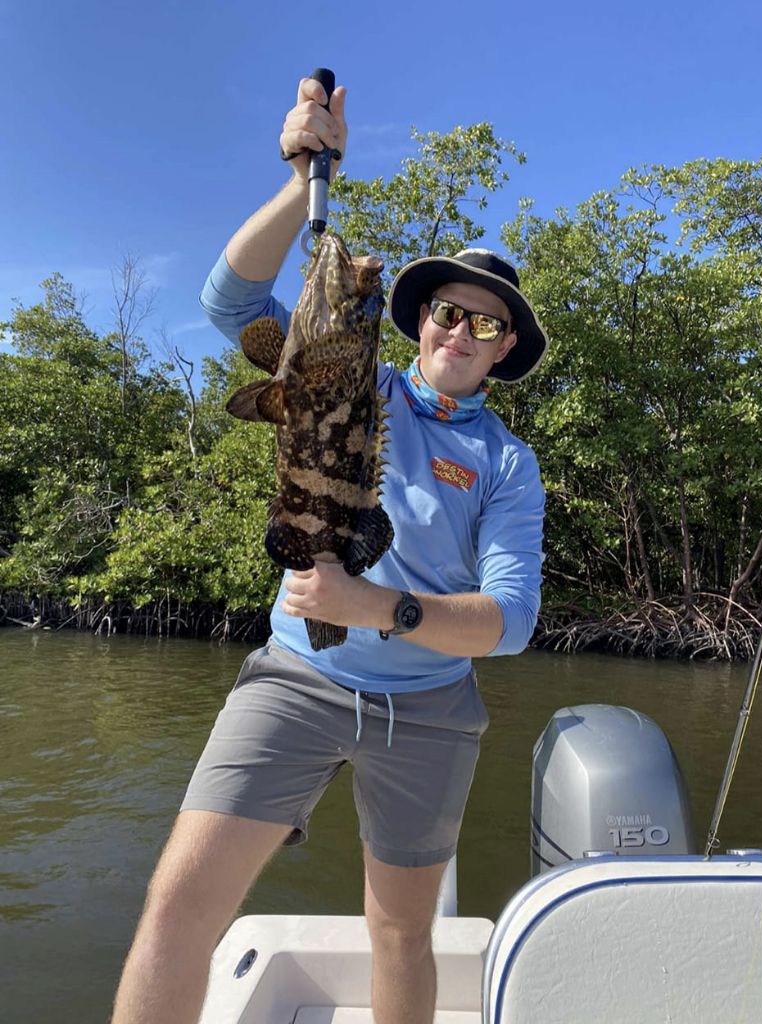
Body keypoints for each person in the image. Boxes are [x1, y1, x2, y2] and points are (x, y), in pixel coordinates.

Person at [111, 76, 548, 1024]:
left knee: (400, 932)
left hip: (430, 712)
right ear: (418, 320)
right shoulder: (347, 376)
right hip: (295, 679)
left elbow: (511, 623)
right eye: (446, 312)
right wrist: (301, 178)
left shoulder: (509, 465)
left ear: (505, 345)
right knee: (181, 905)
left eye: (487, 321)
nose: (461, 331)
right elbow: (232, 301)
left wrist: (375, 606)